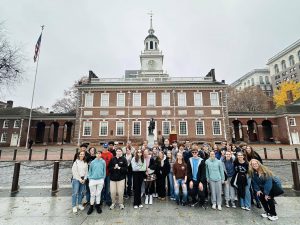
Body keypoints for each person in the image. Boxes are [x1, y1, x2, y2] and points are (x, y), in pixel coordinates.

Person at [87, 149, 106, 215]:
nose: (98, 155)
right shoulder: (92, 162)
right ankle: (91, 206)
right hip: (93, 180)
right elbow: (89, 171)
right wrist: (90, 178)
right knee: (92, 194)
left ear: (101, 155)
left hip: (100, 179)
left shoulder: (103, 162)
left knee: (98, 193)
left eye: (99, 154)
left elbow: (104, 171)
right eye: (97, 153)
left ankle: (97, 205)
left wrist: (103, 179)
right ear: (95, 154)